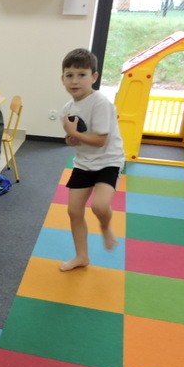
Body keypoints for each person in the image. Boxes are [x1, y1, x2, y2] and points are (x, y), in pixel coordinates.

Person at [59, 48, 125, 272]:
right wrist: (71, 139)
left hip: (108, 161)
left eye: (81, 75)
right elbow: (75, 139)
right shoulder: (67, 109)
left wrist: (74, 134)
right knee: (74, 211)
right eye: (69, 75)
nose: (74, 81)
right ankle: (82, 256)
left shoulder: (100, 103)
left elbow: (99, 140)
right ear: (62, 79)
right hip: (84, 162)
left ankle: (105, 226)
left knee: (99, 206)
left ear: (94, 77)